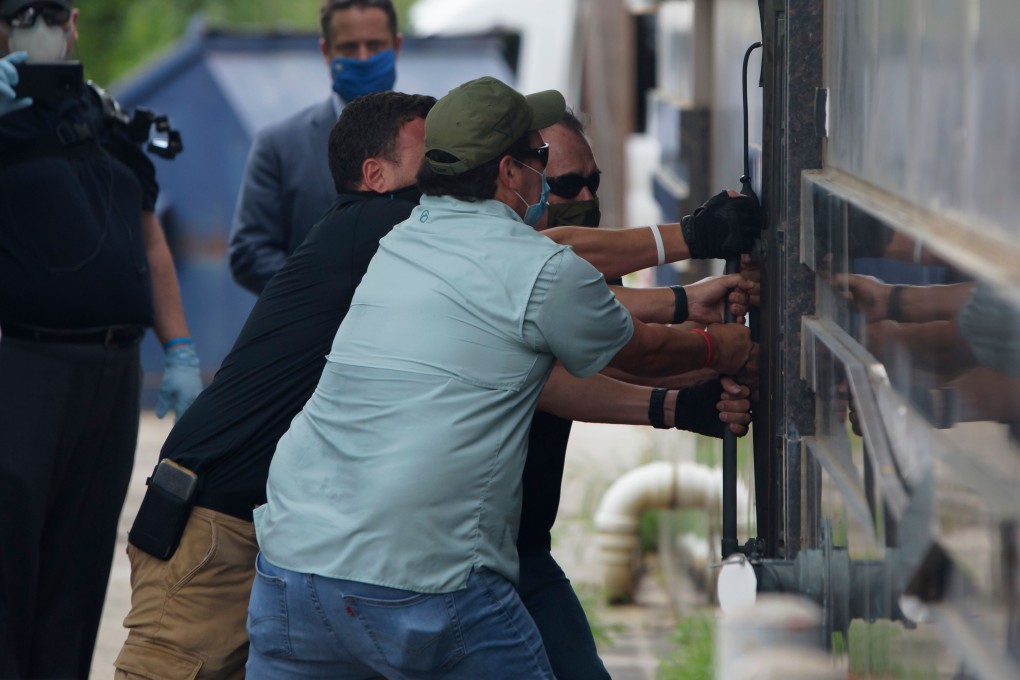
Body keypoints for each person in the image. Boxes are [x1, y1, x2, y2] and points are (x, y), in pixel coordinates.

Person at [114, 90, 754, 680]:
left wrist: (678, 330)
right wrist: (694, 268)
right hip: (220, 531)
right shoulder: (389, 231)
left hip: (301, 551)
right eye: (431, 161)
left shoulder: (415, 243)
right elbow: (561, 273)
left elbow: (550, 301)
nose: (439, 176)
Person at [0, 1, 203, 677]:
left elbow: (151, 241)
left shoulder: (106, 117)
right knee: (9, 563)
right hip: (24, 364)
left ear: (74, 23)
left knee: (80, 569)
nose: (39, 24)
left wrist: (180, 348)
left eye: (51, 11)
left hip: (113, 372)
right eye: (20, 11)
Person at [519, 110, 755, 680]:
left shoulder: (571, 272)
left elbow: (623, 351)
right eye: (566, 186)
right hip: (462, 561)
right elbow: (597, 355)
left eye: (593, 182)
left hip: (520, 547)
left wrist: (721, 367)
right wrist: (705, 337)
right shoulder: (510, 263)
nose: (585, 198)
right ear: (518, 183)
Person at [228, 0, 402, 294]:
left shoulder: (435, 139)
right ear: (326, 52)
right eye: (349, 48)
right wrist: (323, 293)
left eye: (374, 45)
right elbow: (249, 253)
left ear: (396, 46)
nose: (363, 58)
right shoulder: (279, 146)